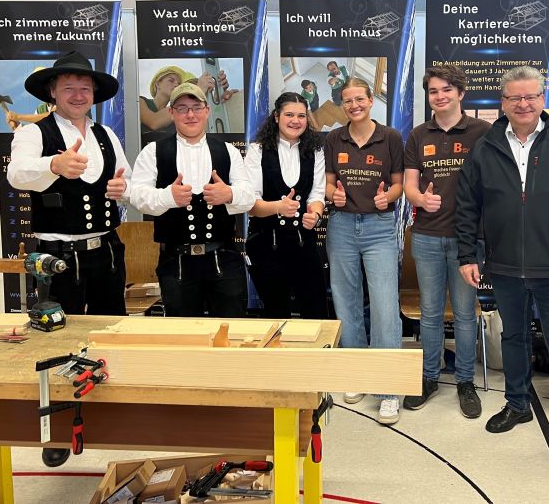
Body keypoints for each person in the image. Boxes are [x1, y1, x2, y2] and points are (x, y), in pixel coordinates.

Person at [455, 65, 549, 479]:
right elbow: (468, 207)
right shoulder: (485, 149)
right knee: (514, 337)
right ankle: (517, 404)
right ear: (502, 102)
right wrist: (468, 255)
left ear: (543, 98)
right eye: (515, 98)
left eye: (531, 96)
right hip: (503, 267)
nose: (523, 104)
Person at [6, 50, 131, 469]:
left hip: (106, 250)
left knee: (111, 328)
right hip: (58, 255)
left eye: (85, 87)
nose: (78, 94)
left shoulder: (106, 134)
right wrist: (54, 164)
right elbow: (17, 174)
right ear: (52, 92)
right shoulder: (35, 134)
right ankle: (57, 428)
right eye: (69, 87)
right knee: (56, 340)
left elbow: (124, 175)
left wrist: (121, 188)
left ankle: (107, 408)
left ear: (94, 93)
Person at [402, 65, 491, 419]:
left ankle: (466, 381)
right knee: (431, 313)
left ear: (460, 93)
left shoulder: (483, 132)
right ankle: (428, 378)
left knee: (467, 315)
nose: (439, 97)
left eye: (446, 90)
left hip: (468, 241)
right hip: (426, 237)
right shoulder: (418, 135)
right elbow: (410, 184)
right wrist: (420, 200)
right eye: (433, 91)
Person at [129, 82, 255, 317]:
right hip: (175, 262)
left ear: (207, 111)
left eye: (196, 108)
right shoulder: (152, 151)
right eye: (182, 108)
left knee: (231, 331)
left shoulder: (229, 151)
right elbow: (137, 196)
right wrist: (167, 196)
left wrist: (230, 194)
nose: (190, 115)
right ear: (171, 113)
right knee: (182, 334)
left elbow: (249, 195)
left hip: (224, 259)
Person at [324, 77, 404, 425]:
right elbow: (329, 182)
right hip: (342, 226)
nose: (354, 105)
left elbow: (400, 182)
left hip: (379, 227)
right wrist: (332, 196)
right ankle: (357, 373)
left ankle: (388, 390)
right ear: (343, 106)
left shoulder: (391, 138)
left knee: (386, 307)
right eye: (347, 101)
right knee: (346, 302)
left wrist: (390, 196)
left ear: (371, 101)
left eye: (360, 99)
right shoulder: (333, 138)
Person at [244, 92, 329, 319]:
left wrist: (316, 214)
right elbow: (251, 203)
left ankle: (315, 356)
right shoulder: (257, 150)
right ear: (276, 117)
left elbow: (317, 194)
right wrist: (277, 208)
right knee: (276, 312)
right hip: (265, 242)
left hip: (303, 241)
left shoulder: (316, 150)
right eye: (289, 114)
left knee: (316, 310)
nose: (296, 121)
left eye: (302, 115)